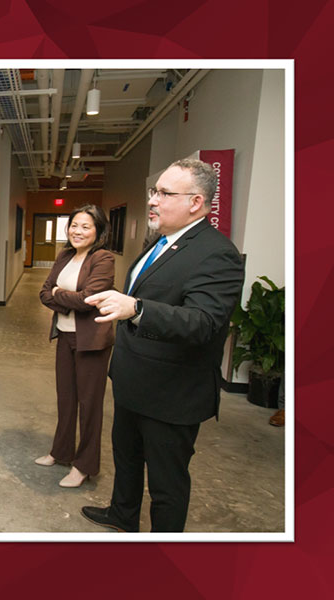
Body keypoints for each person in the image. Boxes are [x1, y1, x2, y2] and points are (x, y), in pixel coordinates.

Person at [81, 158, 244, 532]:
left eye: (165, 193)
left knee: (166, 483)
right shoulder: (162, 243)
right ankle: (122, 514)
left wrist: (135, 308)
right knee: (127, 457)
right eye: (154, 191)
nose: (153, 200)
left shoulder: (217, 254)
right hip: (134, 380)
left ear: (196, 203)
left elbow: (204, 323)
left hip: (172, 394)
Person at [37, 205, 115, 488]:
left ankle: (84, 466)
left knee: (89, 404)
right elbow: (44, 293)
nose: (77, 231)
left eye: (85, 226)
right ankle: (61, 452)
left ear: (98, 231)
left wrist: (61, 294)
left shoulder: (103, 258)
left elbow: (88, 300)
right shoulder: (65, 255)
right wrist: (61, 295)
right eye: (74, 225)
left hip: (91, 341)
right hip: (65, 335)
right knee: (66, 399)